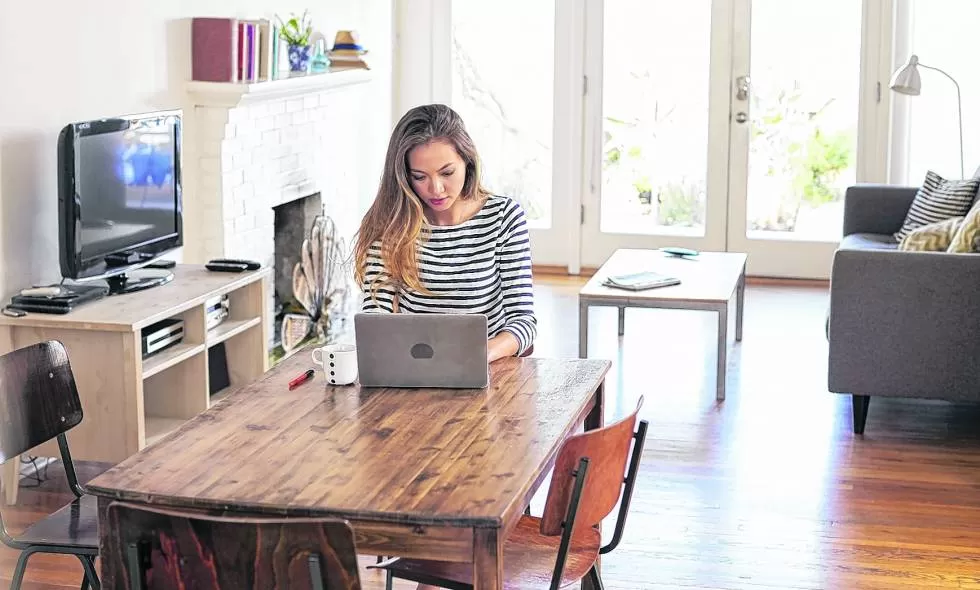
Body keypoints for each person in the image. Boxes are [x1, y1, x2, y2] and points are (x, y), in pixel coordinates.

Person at [354, 104, 536, 362]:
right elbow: (375, 319)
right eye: (419, 177)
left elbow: (524, 322)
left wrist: (478, 355)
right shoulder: (391, 224)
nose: (436, 189)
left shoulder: (504, 217)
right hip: (413, 371)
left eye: (447, 172)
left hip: (487, 371)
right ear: (404, 176)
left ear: (467, 161)